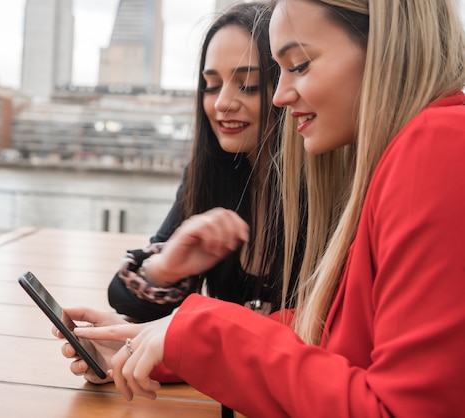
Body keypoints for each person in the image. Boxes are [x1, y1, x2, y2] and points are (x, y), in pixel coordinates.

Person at [67, 0, 465, 416]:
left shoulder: (434, 148)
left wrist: (198, 332)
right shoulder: (417, 149)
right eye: (211, 84)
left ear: (387, 47)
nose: (281, 96)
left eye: (299, 65)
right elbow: (330, 329)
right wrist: (154, 340)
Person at [107, 1, 306, 324]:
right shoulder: (210, 173)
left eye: (248, 85)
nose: (223, 103)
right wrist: (166, 267)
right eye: (211, 86)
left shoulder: (329, 191)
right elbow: (123, 299)